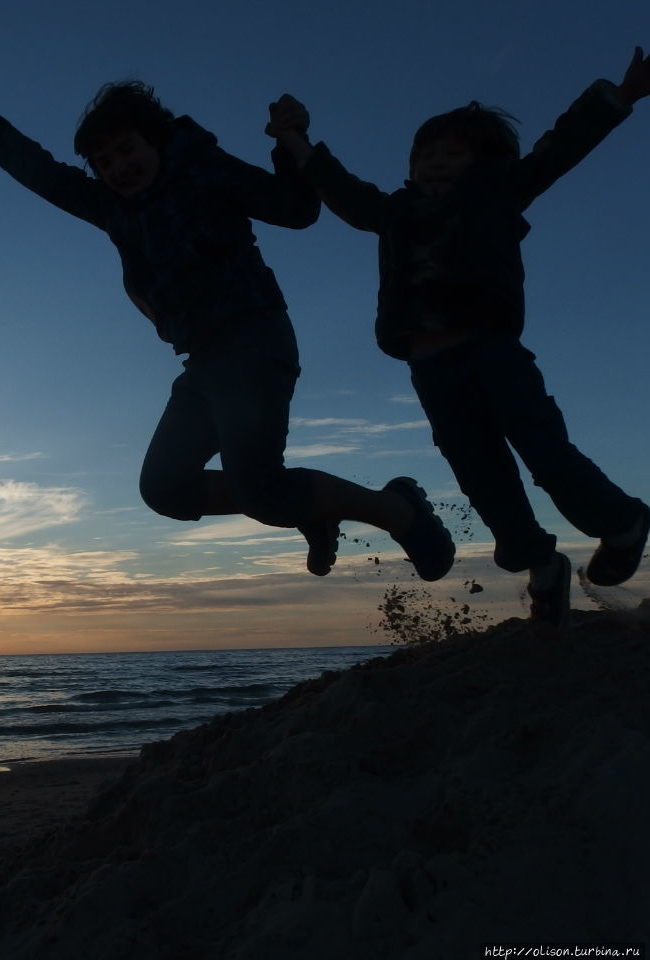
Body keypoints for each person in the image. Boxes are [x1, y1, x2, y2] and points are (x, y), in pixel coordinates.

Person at [0, 70, 454, 580]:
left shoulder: (204, 170)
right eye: (105, 162)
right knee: (166, 489)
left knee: (262, 492)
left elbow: (294, 209)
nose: (119, 167)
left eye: (126, 150)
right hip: (202, 363)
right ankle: (311, 510)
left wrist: (290, 142)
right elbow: (41, 172)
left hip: (255, 341)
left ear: (154, 141)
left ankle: (396, 509)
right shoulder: (110, 206)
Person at [264, 47, 650, 625]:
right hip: (431, 370)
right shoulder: (394, 212)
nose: (435, 163)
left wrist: (619, 97)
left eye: (452, 154)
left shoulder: (496, 194)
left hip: (493, 354)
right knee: (480, 472)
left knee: (546, 452)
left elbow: (558, 149)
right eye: (425, 155)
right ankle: (540, 565)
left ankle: (621, 522)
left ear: (481, 161)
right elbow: (341, 191)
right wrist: (295, 139)